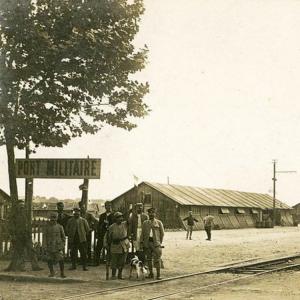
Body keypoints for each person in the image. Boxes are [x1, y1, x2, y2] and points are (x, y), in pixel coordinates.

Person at [140, 207, 164, 280]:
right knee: (149, 259)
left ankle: (158, 275)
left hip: (156, 243)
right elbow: (142, 234)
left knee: (157, 259)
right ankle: (151, 273)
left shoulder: (159, 222)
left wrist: (159, 242)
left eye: (153, 213)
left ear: (155, 214)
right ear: (148, 214)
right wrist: (142, 242)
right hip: (147, 243)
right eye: (150, 213)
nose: (151, 214)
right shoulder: (145, 223)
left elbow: (162, 233)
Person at [106, 212, 130, 280]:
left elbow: (130, 219)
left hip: (124, 245)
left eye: (121, 217)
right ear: (115, 219)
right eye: (118, 217)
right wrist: (108, 245)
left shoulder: (125, 224)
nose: (120, 219)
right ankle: (113, 275)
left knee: (122, 261)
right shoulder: (111, 227)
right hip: (115, 245)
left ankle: (120, 274)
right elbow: (108, 237)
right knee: (114, 261)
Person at [43, 212, 66, 278]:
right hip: (50, 245)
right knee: (49, 259)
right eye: (51, 219)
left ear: (56, 219)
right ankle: (52, 272)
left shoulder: (60, 227)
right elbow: (44, 237)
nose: (53, 220)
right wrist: (44, 246)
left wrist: (62, 245)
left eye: (54, 218)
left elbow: (63, 237)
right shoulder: (47, 227)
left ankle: (62, 273)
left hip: (57, 246)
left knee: (61, 259)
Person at [95, 201, 114, 266]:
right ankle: (97, 262)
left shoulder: (113, 215)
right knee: (98, 247)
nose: (108, 207)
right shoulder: (102, 216)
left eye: (109, 206)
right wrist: (103, 223)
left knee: (110, 248)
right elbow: (99, 225)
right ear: (105, 207)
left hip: (110, 234)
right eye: (107, 206)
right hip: (102, 234)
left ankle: (109, 262)